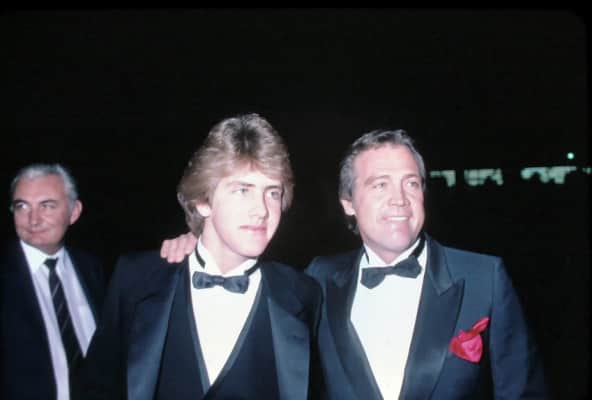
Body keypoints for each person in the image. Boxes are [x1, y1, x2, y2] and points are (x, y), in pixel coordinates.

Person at [162, 128, 547, 399]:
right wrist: (199, 242)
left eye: (411, 183)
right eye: (380, 184)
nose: (399, 199)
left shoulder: (484, 278)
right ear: (348, 203)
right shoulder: (316, 281)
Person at [79, 113, 322, 400]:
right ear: (203, 202)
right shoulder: (136, 280)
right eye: (243, 190)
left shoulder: (303, 294)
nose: (261, 210)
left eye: (272, 193)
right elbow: (97, 388)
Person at [0, 163, 106, 400]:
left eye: (47, 206)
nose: (33, 220)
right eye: (22, 206)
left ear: (74, 212)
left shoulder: (92, 269)